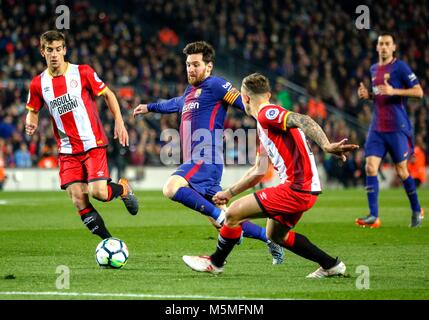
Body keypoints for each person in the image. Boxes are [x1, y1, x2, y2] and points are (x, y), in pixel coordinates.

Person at [182, 73, 359, 277]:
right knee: (275, 235)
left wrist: (327, 145)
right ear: (268, 94)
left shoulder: (268, 113)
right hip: (306, 190)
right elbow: (259, 170)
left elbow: (303, 119)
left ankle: (215, 262)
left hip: (296, 188)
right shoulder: (265, 124)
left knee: (232, 214)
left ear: (245, 98)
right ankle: (331, 265)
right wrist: (229, 193)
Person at [133, 41, 284, 264]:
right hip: (203, 163)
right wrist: (150, 107)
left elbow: (244, 102)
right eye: (188, 65)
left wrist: (270, 117)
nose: (190, 69)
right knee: (227, 217)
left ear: (209, 67)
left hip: (205, 157)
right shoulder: (190, 92)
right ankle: (270, 239)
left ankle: (220, 226)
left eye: (195, 64)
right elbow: (176, 103)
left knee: (171, 187)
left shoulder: (216, 85)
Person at [25, 30, 138, 239]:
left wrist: (119, 121)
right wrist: (30, 122)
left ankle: (122, 188)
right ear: (42, 52)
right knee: (78, 198)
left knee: (99, 193)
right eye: (49, 50)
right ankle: (109, 242)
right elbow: (32, 110)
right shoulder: (37, 84)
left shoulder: (83, 72)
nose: (54, 55)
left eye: (58, 49)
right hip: (67, 150)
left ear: (65, 50)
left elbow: (109, 95)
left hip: (92, 144)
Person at [356, 32, 424, 228]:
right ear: (377, 48)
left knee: (402, 171)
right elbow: (380, 96)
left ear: (393, 47)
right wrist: (368, 95)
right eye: (381, 44)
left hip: (397, 127)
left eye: (387, 44)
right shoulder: (374, 69)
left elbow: (418, 92)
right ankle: (373, 215)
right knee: (370, 167)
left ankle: (416, 209)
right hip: (377, 127)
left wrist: (395, 90)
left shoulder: (400, 67)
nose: (384, 47)